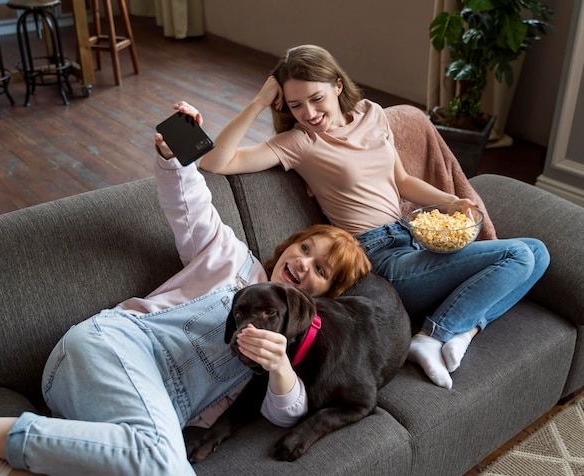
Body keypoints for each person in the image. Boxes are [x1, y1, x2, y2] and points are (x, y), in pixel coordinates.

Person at [0, 105, 372, 476]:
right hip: (111, 350)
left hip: (121, 415)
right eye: (303, 248)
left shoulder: (297, 348)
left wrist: (280, 366)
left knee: (158, 457)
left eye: (320, 269)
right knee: (162, 459)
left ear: (324, 295)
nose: (302, 263)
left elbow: (287, 415)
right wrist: (175, 156)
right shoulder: (230, 258)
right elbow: (190, 208)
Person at [197, 44, 551, 390]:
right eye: (295, 105)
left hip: (410, 240)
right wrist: (260, 101)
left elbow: (402, 180)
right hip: (377, 258)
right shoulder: (301, 142)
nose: (309, 112)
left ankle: (464, 329)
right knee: (516, 255)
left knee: (538, 252)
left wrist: (451, 200)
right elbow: (215, 162)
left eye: (316, 98)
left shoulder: (372, 113)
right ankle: (432, 336)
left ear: (338, 85)